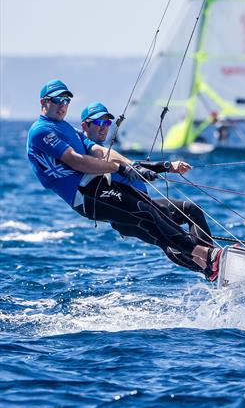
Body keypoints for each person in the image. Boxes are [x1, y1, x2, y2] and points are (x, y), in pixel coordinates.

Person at [27, 79, 221, 280]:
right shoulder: (41, 131)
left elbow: (100, 151)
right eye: (57, 100)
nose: (62, 105)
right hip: (84, 195)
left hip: (100, 188)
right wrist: (119, 167)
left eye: (66, 100)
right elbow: (76, 162)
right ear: (44, 102)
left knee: (168, 215)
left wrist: (137, 167)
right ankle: (209, 258)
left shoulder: (68, 128)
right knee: (151, 218)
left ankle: (211, 264)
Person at [79, 101, 214, 248]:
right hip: (130, 214)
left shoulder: (106, 149)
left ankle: (210, 258)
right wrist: (165, 167)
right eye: (99, 122)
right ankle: (208, 260)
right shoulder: (90, 151)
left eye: (107, 123)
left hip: (144, 204)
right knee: (168, 236)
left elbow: (131, 165)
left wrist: (168, 166)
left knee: (192, 210)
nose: (104, 127)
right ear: (85, 125)